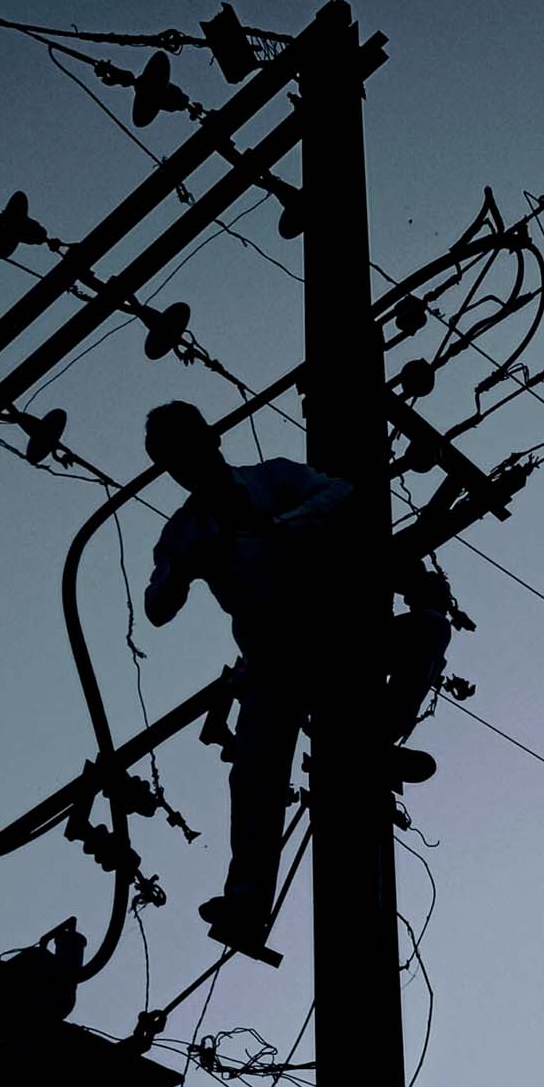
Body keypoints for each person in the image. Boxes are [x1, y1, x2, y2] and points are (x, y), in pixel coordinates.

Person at [141, 400, 449, 954]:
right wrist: (185, 570)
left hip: (338, 637)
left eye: (187, 450)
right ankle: (245, 906)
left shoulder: (271, 479)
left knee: (428, 628)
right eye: (172, 461)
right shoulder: (184, 532)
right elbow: (157, 606)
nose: (184, 466)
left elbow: (340, 491)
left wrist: (282, 525)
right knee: (256, 779)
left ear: (209, 440)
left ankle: (376, 736)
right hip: (274, 664)